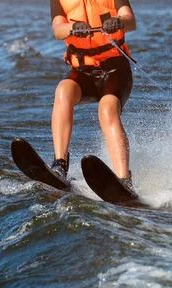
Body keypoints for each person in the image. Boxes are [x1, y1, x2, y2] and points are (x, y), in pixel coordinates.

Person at [49, 0, 136, 189]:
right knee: (63, 91)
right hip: (83, 70)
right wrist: (73, 27)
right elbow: (58, 30)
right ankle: (59, 165)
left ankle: (124, 181)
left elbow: (130, 20)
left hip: (116, 69)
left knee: (107, 109)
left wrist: (119, 21)